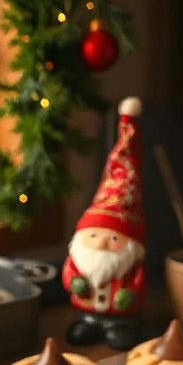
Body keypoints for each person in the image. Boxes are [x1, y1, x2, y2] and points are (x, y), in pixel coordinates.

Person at [62, 97, 146, 350]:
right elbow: (70, 272)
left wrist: (129, 294)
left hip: (121, 317)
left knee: (122, 340)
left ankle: (116, 328)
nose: (102, 242)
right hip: (87, 311)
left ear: (131, 245)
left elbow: (138, 281)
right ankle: (89, 323)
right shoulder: (80, 259)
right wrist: (74, 282)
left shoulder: (129, 265)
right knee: (78, 335)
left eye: (114, 238)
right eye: (95, 235)